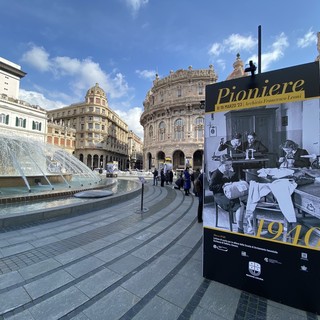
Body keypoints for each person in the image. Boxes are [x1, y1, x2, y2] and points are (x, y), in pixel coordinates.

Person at [209, 154, 245, 233]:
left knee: (246, 200)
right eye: (226, 165)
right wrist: (223, 186)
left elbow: (235, 181)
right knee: (240, 205)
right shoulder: (217, 173)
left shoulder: (231, 170)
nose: (229, 167)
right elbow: (211, 187)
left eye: (230, 164)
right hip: (220, 195)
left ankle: (250, 224)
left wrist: (238, 182)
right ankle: (240, 229)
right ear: (221, 164)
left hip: (230, 192)